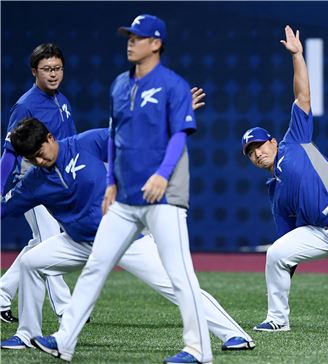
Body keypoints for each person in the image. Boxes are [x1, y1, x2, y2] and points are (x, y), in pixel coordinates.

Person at [31, 14, 213, 364]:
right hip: (125, 197)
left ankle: (198, 349)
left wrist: (163, 173)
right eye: (129, 36)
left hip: (164, 195)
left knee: (178, 273)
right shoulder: (118, 85)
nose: (130, 42)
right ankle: (63, 341)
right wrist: (111, 181)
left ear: (156, 43)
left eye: (138, 37)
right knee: (96, 264)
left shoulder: (173, 85)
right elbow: (115, 137)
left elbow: (178, 135)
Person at [1, 123, 254, 354]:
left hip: (124, 237)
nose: (39, 159)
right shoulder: (33, 182)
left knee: (176, 284)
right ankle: (27, 333)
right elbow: (5, 207)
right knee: (31, 262)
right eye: (31, 157)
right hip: (79, 242)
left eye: (40, 150)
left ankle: (235, 335)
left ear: (50, 137)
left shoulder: (85, 144)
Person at [242, 25, 328, 333]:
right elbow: (286, 242)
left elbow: (303, 95)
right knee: (277, 253)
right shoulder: (275, 192)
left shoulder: (295, 140)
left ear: (273, 141)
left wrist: (298, 56)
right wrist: (285, 267)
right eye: (250, 153)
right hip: (320, 233)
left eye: (258, 145)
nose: (256, 153)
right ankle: (278, 320)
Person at [0, 43, 74, 323]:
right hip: (31, 181)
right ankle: (66, 307)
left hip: (56, 181)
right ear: (34, 71)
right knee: (52, 241)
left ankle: (2, 294)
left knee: (39, 243)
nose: (53, 74)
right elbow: (8, 152)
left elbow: (70, 146)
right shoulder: (26, 105)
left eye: (57, 68)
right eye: (47, 69)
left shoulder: (63, 101)